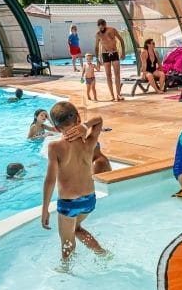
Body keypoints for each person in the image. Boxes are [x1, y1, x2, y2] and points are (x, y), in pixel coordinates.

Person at [41, 101, 108, 264]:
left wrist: (45, 210)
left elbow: (50, 180)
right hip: (89, 200)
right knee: (77, 229)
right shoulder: (89, 142)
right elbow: (99, 120)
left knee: (67, 244)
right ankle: (102, 254)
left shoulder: (55, 146)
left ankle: (65, 270)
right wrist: (86, 126)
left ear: (56, 128)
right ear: (78, 118)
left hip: (69, 204)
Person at [94, 19, 126, 101]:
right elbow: (96, 47)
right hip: (105, 54)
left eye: (102, 26)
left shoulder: (112, 30)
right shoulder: (98, 35)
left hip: (114, 53)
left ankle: (118, 94)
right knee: (108, 75)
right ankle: (112, 95)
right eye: (100, 27)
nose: (101, 28)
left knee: (117, 74)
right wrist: (97, 59)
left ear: (105, 24)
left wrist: (123, 52)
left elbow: (121, 40)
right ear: (98, 27)